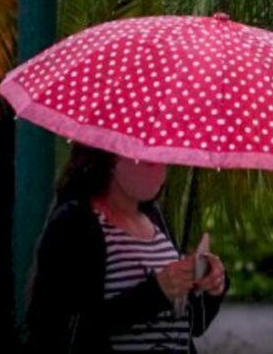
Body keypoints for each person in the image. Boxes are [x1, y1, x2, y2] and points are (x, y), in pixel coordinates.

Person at [25, 143, 228, 353]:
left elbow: (191, 325)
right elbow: (63, 326)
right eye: (147, 157)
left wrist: (208, 287)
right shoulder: (76, 223)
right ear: (109, 157)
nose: (158, 164)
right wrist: (155, 293)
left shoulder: (157, 221)